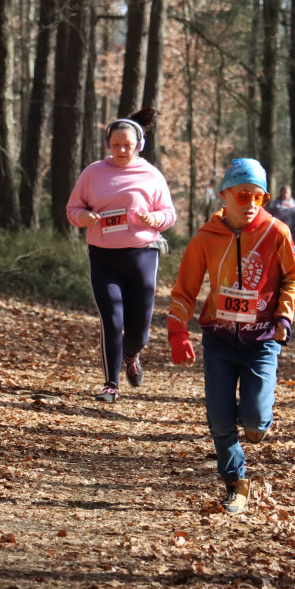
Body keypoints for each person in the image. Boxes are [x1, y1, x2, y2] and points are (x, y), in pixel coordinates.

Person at [167, 158, 295, 515]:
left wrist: (284, 316)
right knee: (221, 417)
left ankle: (257, 425)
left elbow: (294, 277)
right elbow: (184, 291)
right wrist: (177, 331)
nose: (251, 205)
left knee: (256, 420)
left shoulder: (278, 233)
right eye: (243, 196)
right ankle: (236, 483)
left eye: (259, 197)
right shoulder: (206, 239)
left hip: (261, 341)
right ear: (224, 196)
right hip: (219, 341)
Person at [66, 108, 177, 403]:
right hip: (103, 257)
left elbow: (168, 213)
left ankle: (132, 354)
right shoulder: (92, 173)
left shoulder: (151, 175)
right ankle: (110, 383)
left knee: (139, 330)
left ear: (138, 145)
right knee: (112, 320)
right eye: (116, 145)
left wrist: (155, 220)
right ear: (108, 145)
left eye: (127, 145)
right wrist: (84, 217)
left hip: (141, 255)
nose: (122, 150)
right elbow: (72, 210)